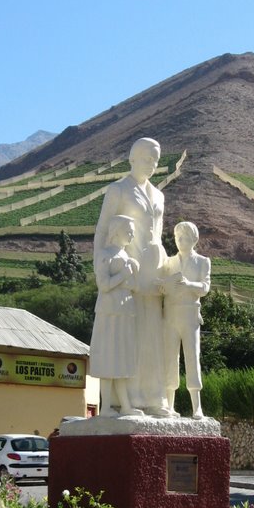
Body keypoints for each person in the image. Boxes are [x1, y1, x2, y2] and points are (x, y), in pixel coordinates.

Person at [93, 137, 171, 415]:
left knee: (154, 335)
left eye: (156, 160)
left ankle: (153, 398)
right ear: (134, 158)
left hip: (153, 273)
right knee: (129, 338)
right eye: (148, 159)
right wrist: (101, 268)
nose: (153, 165)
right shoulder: (118, 190)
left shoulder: (159, 195)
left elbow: (158, 233)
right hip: (126, 275)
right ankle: (126, 400)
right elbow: (102, 230)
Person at [89, 215, 143, 417]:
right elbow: (103, 285)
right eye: (128, 230)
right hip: (109, 311)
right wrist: (124, 275)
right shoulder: (105, 255)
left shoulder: (128, 258)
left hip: (125, 310)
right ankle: (105, 408)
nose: (132, 234)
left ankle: (125, 405)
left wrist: (132, 274)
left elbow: (134, 287)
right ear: (117, 231)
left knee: (122, 357)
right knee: (109, 356)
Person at [161, 221, 211, 418]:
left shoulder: (202, 262)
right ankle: (169, 405)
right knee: (170, 359)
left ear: (194, 240)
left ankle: (196, 406)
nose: (181, 242)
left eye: (185, 238)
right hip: (171, 315)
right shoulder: (169, 263)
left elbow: (205, 288)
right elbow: (162, 285)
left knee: (192, 358)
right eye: (178, 238)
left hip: (190, 315)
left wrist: (189, 284)